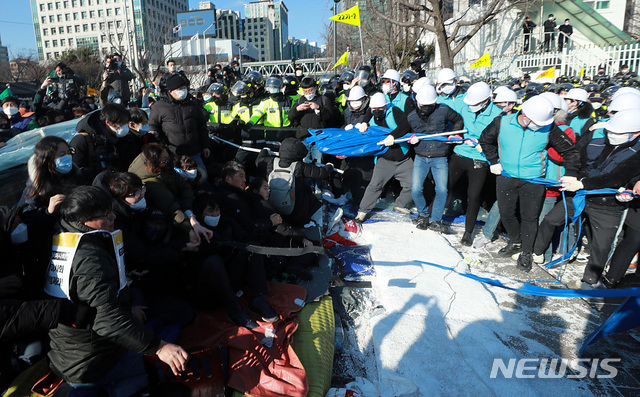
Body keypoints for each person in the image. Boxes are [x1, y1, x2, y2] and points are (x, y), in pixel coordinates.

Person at [45, 186, 189, 394]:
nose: (113, 216)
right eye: (106, 214)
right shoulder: (90, 260)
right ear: (84, 221)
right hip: (91, 362)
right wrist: (159, 347)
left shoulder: (65, 234)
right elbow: (107, 320)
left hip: (69, 351)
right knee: (169, 369)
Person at [540, 110, 640, 288]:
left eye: (618, 133)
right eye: (610, 131)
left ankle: (591, 279)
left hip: (608, 206)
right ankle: (537, 252)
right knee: (550, 219)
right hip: (580, 196)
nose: (612, 135)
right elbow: (580, 160)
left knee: (602, 245)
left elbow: (618, 176)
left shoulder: (637, 153)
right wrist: (573, 177)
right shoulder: (596, 142)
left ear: (636, 133)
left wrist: (628, 187)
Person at [479, 95, 579, 272]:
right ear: (525, 115)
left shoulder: (548, 127)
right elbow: (485, 140)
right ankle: (516, 241)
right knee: (506, 213)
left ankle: (526, 252)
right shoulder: (502, 122)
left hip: (533, 180)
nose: (539, 126)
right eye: (537, 123)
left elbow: (570, 150)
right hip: (506, 176)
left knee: (529, 217)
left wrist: (570, 174)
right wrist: (493, 161)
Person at [447, 82, 502, 246]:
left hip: (480, 159)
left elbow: (498, 142)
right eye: (469, 104)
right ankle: (431, 217)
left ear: (485, 101)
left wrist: (480, 145)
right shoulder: (465, 109)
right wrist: (456, 136)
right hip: (460, 153)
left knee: (474, 196)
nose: (470, 107)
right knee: (445, 186)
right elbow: (460, 126)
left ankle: (468, 232)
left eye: (474, 104)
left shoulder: (497, 115)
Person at [128, 143, 213, 245]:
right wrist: (189, 229)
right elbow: (171, 207)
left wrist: (188, 210)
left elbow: (185, 186)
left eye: (168, 157)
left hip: (181, 206)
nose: (168, 162)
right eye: (164, 160)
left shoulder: (165, 169)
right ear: (154, 162)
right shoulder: (151, 183)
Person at [407, 85, 463, 232]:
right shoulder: (412, 116)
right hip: (421, 157)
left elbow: (458, 120)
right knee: (416, 189)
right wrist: (410, 138)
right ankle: (423, 214)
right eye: (423, 105)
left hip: (440, 157)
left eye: (429, 105)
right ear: (418, 102)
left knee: (442, 190)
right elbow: (407, 131)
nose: (426, 108)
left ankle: (436, 220)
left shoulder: (443, 110)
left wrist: (454, 134)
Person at [355, 93, 413, 222]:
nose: (376, 111)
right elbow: (366, 118)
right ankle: (362, 211)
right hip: (385, 159)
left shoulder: (394, 111)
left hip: (403, 158)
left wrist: (393, 136)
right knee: (375, 185)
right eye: (374, 109)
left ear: (385, 106)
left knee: (414, 184)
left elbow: (405, 125)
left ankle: (400, 205)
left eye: (379, 108)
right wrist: (363, 123)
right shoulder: (371, 113)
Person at [150, 73, 211, 179]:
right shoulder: (159, 107)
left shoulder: (193, 105)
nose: (183, 91)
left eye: (184, 88)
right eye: (179, 89)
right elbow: (153, 125)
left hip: (194, 151)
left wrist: (206, 145)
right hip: (173, 154)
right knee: (178, 181)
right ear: (170, 91)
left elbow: (202, 126)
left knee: (202, 178)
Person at [70, 103, 139, 179]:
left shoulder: (126, 137)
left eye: (126, 122)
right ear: (108, 123)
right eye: (122, 123)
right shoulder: (84, 140)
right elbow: (77, 172)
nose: (125, 126)